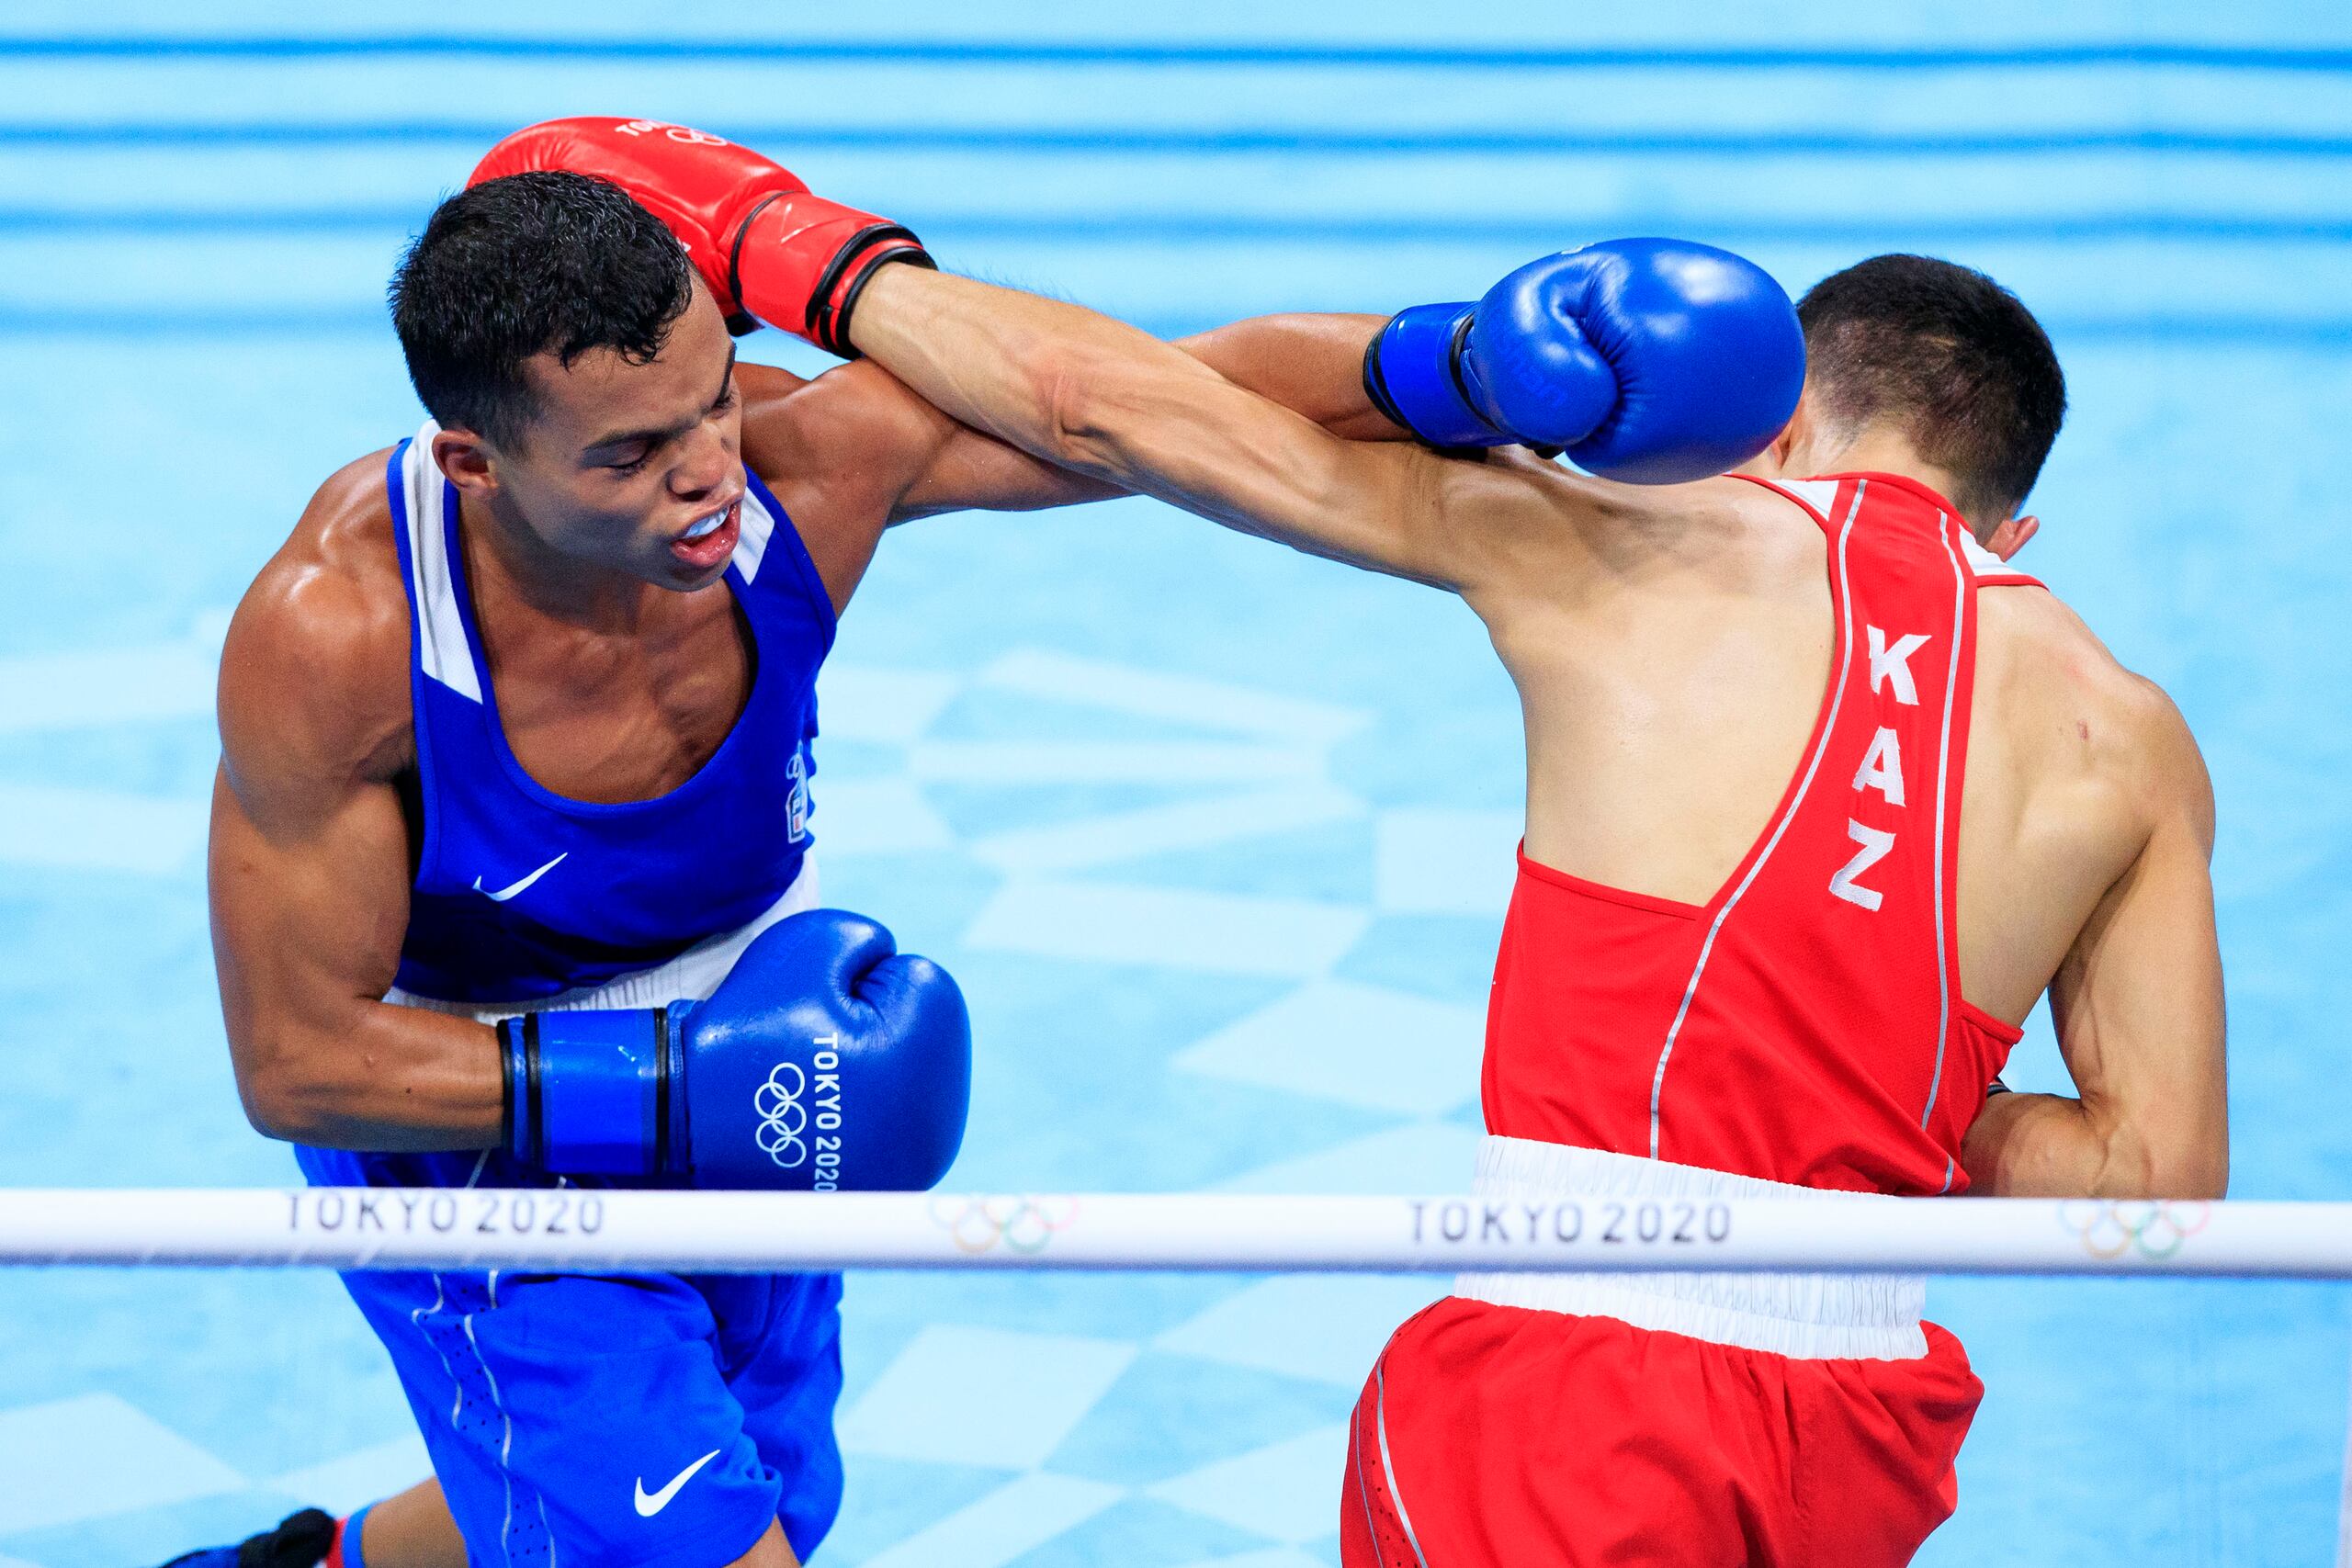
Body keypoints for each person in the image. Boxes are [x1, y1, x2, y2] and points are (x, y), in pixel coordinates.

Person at [532, 119, 2231, 1564]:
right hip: (1863, 1416)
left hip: (1580, 1379)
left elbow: (1116, 410)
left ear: (1775, 425)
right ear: (2019, 526)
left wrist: (813, 260)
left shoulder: (1658, 536)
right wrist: (1866, 1051)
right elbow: (2155, 1191)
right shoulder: (2130, 737)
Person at [175, 161, 1411, 1568]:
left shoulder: (801, 467)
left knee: (734, 1485)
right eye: (630, 455)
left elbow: (1167, 398)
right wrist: (684, 1088)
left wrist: (1464, 370)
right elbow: (298, 1064)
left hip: (772, 1072)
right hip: (486, 1157)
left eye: (713, 398)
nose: (707, 470)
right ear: (475, 462)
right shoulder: (345, 641)